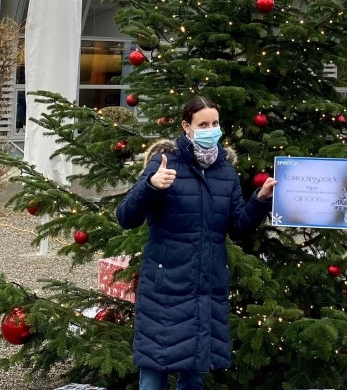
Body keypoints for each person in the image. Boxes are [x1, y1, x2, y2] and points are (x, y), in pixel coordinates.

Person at [116, 96, 277, 390]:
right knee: (154, 373)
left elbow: (238, 226)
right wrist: (150, 186)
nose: (211, 129)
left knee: (193, 377)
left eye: (215, 123)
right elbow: (126, 217)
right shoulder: (164, 162)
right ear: (186, 127)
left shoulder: (225, 170)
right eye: (203, 124)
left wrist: (260, 201)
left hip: (206, 287)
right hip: (165, 288)